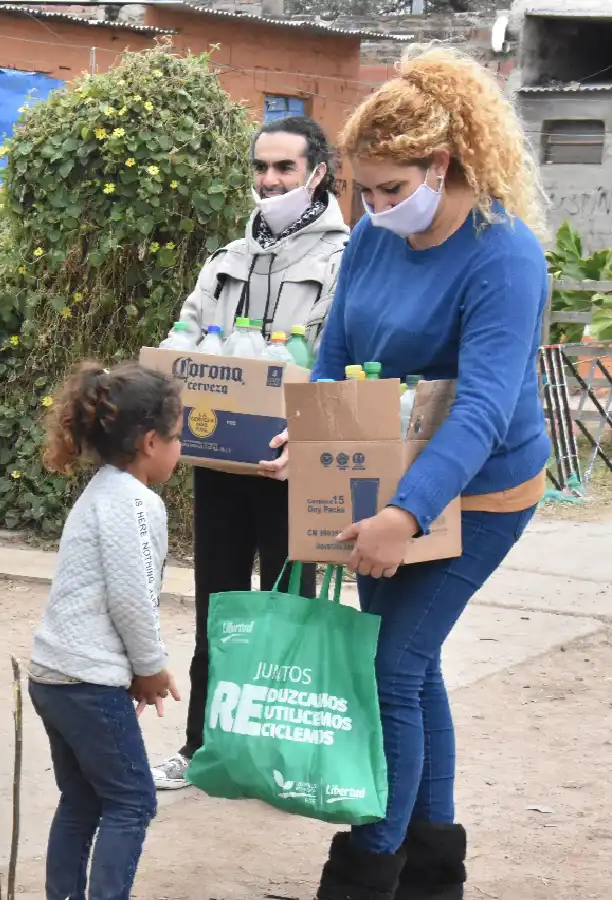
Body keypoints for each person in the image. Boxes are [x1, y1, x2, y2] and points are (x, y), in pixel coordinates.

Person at [260, 48, 550, 900]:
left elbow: (485, 410)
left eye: (393, 189)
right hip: (385, 477)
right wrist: (308, 444)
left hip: (480, 488)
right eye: (365, 191)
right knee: (411, 667)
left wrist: (408, 515)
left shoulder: (503, 256)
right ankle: (431, 875)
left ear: (443, 164)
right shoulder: (377, 240)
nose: (378, 207)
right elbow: (340, 348)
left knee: (386, 670)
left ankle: (363, 874)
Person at [152, 114, 348, 791]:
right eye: (262, 168)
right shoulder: (226, 259)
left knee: (291, 609)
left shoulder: (345, 259)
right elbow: (184, 337)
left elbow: (349, 360)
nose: (270, 181)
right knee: (219, 607)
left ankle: (283, 756)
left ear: (317, 172)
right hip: (223, 462)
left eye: (285, 169)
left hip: (299, 462)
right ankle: (203, 748)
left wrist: (318, 432)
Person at [29, 361, 184, 900]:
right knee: (133, 801)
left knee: (83, 800)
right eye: (176, 437)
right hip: (86, 683)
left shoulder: (103, 489)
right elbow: (133, 599)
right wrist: (151, 668)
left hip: (54, 676)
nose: (178, 449)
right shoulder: (136, 504)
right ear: (148, 442)